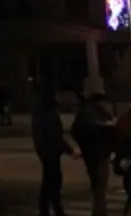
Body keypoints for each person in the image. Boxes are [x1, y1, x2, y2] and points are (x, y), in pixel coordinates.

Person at [31, 88, 80, 216]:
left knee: (49, 181)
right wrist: (70, 150)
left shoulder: (40, 113)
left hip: (45, 151)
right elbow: (54, 136)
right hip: (50, 152)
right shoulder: (48, 114)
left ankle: (47, 209)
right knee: (53, 181)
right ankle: (54, 210)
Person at [71, 92, 115, 216]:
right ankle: (100, 211)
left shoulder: (83, 113)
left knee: (95, 182)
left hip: (89, 153)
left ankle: (98, 209)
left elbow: (75, 131)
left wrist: (83, 147)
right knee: (100, 184)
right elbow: (110, 133)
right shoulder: (102, 114)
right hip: (101, 153)